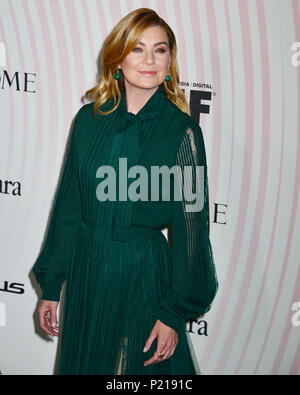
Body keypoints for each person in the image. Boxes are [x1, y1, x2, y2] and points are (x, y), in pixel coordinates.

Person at [32, 7, 218, 375]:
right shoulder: (88, 120)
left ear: (170, 61)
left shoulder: (183, 133)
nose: (149, 59)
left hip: (143, 275)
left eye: (160, 49)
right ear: (118, 58)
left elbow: (192, 230)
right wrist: (52, 285)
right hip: (88, 271)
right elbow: (69, 207)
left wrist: (173, 313)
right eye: (138, 49)